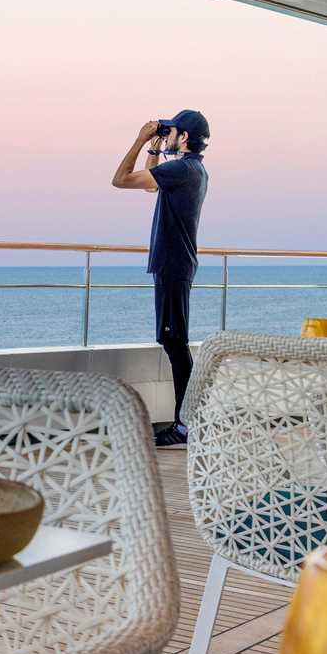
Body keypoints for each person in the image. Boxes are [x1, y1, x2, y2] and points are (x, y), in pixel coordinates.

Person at [110, 110, 209, 447]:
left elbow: (121, 179)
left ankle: (186, 425)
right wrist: (154, 149)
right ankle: (189, 422)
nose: (167, 136)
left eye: (172, 132)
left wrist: (140, 139)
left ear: (183, 138)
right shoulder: (190, 169)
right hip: (175, 263)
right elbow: (151, 186)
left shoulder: (183, 169)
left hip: (173, 263)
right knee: (174, 342)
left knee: (175, 344)